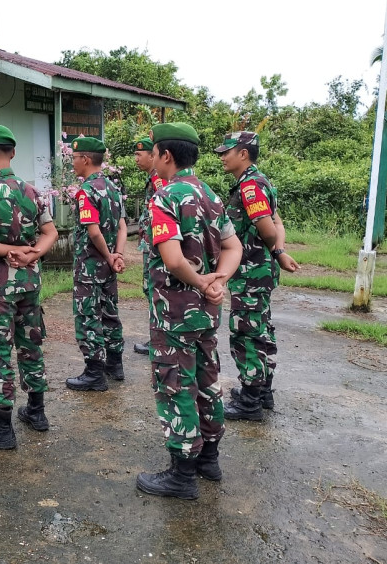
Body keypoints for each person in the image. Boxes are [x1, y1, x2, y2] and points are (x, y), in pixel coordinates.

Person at [135, 122, 242, 500]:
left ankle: (182, 474)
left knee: (175, 383)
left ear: (165, 155)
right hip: (206, 313)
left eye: (155, 153)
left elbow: (173, 259)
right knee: (207, 379)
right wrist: (219, 282)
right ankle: (209, 459)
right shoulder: (211, 195)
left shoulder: (166, 197)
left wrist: (201, 282)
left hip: (174, 312)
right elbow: (233, 247)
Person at [0, 124, 59, 449]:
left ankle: (1, 429)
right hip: (30, 283)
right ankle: (36, 412)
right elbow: (51, 233)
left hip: (0, 288)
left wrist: (10, 252)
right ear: (13, 153)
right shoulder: (32, 191)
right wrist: (33, 252)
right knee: (31, 344)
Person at [214, 131, 299, 421]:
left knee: (247, 333)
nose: (222, 156)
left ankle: (250, 401)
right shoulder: (258, 181)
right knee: (261, 329)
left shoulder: (250, 186)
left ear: (244, 153)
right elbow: (278, 222)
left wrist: (276, 250)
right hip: (258, 271)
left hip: (251, 272)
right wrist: (280, 251)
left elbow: (268, 226)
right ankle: (262, 392)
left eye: (228, 151)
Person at [65, 136, 127, 390]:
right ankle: (115, 364)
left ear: (86, 159)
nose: (72, 164)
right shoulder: (112, 188)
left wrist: (107, 254)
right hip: (108, 267)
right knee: (109, 312)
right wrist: (117, 255)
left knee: (88, 315)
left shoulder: (87, 191)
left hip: (90, 266)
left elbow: (93, 231)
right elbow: (122, 226)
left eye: (75, 159)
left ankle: (94, 373)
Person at [131, 137, 167, 357]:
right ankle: (158, 337)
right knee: (150, 288)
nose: (136, 159)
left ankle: (160, 339)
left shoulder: (159, 182)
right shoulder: (153, 179)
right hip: (151, 242)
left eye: (139, 154)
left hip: (156, 244)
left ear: (153, 156)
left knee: (154, 288)